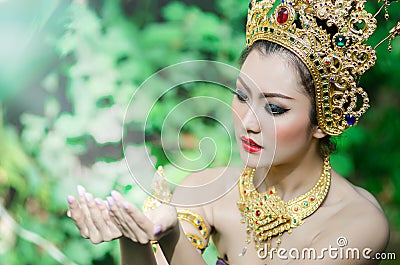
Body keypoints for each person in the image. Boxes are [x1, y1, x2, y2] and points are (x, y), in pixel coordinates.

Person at [67, 0, 396, 264]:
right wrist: (136, 237)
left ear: (324, 120)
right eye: (241, 95)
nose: (248, 122)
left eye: (274, 108)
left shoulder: (357, 224)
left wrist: (171, 241)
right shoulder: (206, 191)